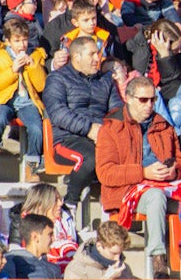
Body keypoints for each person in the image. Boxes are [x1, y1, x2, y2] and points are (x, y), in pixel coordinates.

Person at [95, 75, 181, 278]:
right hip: (127, 190)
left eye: (152, 100)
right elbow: (105, 173)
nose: (149, 105)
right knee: (156, 196)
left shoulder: (163, 125)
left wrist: (175, 171)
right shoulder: (111, 128)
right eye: (143, 100)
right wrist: (143, 173)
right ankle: (158, 260)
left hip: (165, 185)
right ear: (128, 98)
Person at [44, 38, 122, 213]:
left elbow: (118, 110)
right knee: (92, 157)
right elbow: (58, 113)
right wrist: (89, 129)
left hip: (102, 136)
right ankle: (69, 203)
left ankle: (116, 207)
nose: (97, 58)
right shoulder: (57, 79)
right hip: (68, 139)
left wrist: (112, 130)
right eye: (92, 54)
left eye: (98, 53)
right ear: (76, 57)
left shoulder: (106, 80)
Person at [0, 17, 46, 178]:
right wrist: (13, 71)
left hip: (26, 102)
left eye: (24, 40)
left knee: (36, 128)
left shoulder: (36, 55)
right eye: (17, 41)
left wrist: (33, 67)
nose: (22, 45)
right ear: (9, 41)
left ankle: (32, 165)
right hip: (6, 100)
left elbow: (41, 86)